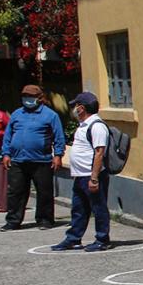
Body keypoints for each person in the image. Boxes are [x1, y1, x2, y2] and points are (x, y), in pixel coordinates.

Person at [52, 92, 112, 252]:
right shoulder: (83, 125)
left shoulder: (97, 126)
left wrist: (94, 178)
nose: (74, 109)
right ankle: (73, 238)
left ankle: (102, 239)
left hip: (91, 175)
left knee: (98, 208)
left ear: (82, 108)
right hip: (80, 175)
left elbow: (99, 152)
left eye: (76, 106)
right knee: (79, 208)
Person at [1, 85, 66, 231]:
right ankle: (13, 220)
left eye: (30, 96)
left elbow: (59, 136)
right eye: (25, 96)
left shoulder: (50, 115)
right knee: (15, 192)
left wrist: (58, 155)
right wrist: (6, 153)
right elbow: (8, 136)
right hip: (18, 160)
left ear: (39, 98)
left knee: (44, 191)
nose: (27, 99)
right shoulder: (17, 114)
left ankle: (45, 219)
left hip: (41, 160)